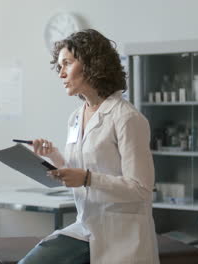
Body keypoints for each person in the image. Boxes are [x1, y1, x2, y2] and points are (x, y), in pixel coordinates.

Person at [19, 29, 159, 264]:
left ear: (92, 64)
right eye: (59, 66)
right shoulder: (75, 117)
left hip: (123, 236)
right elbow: (80, 172)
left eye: (67, 64)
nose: (61, 73)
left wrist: (87, 178)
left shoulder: (126, 117)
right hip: (86, 227)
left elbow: (141, 188)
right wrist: (53, 157)